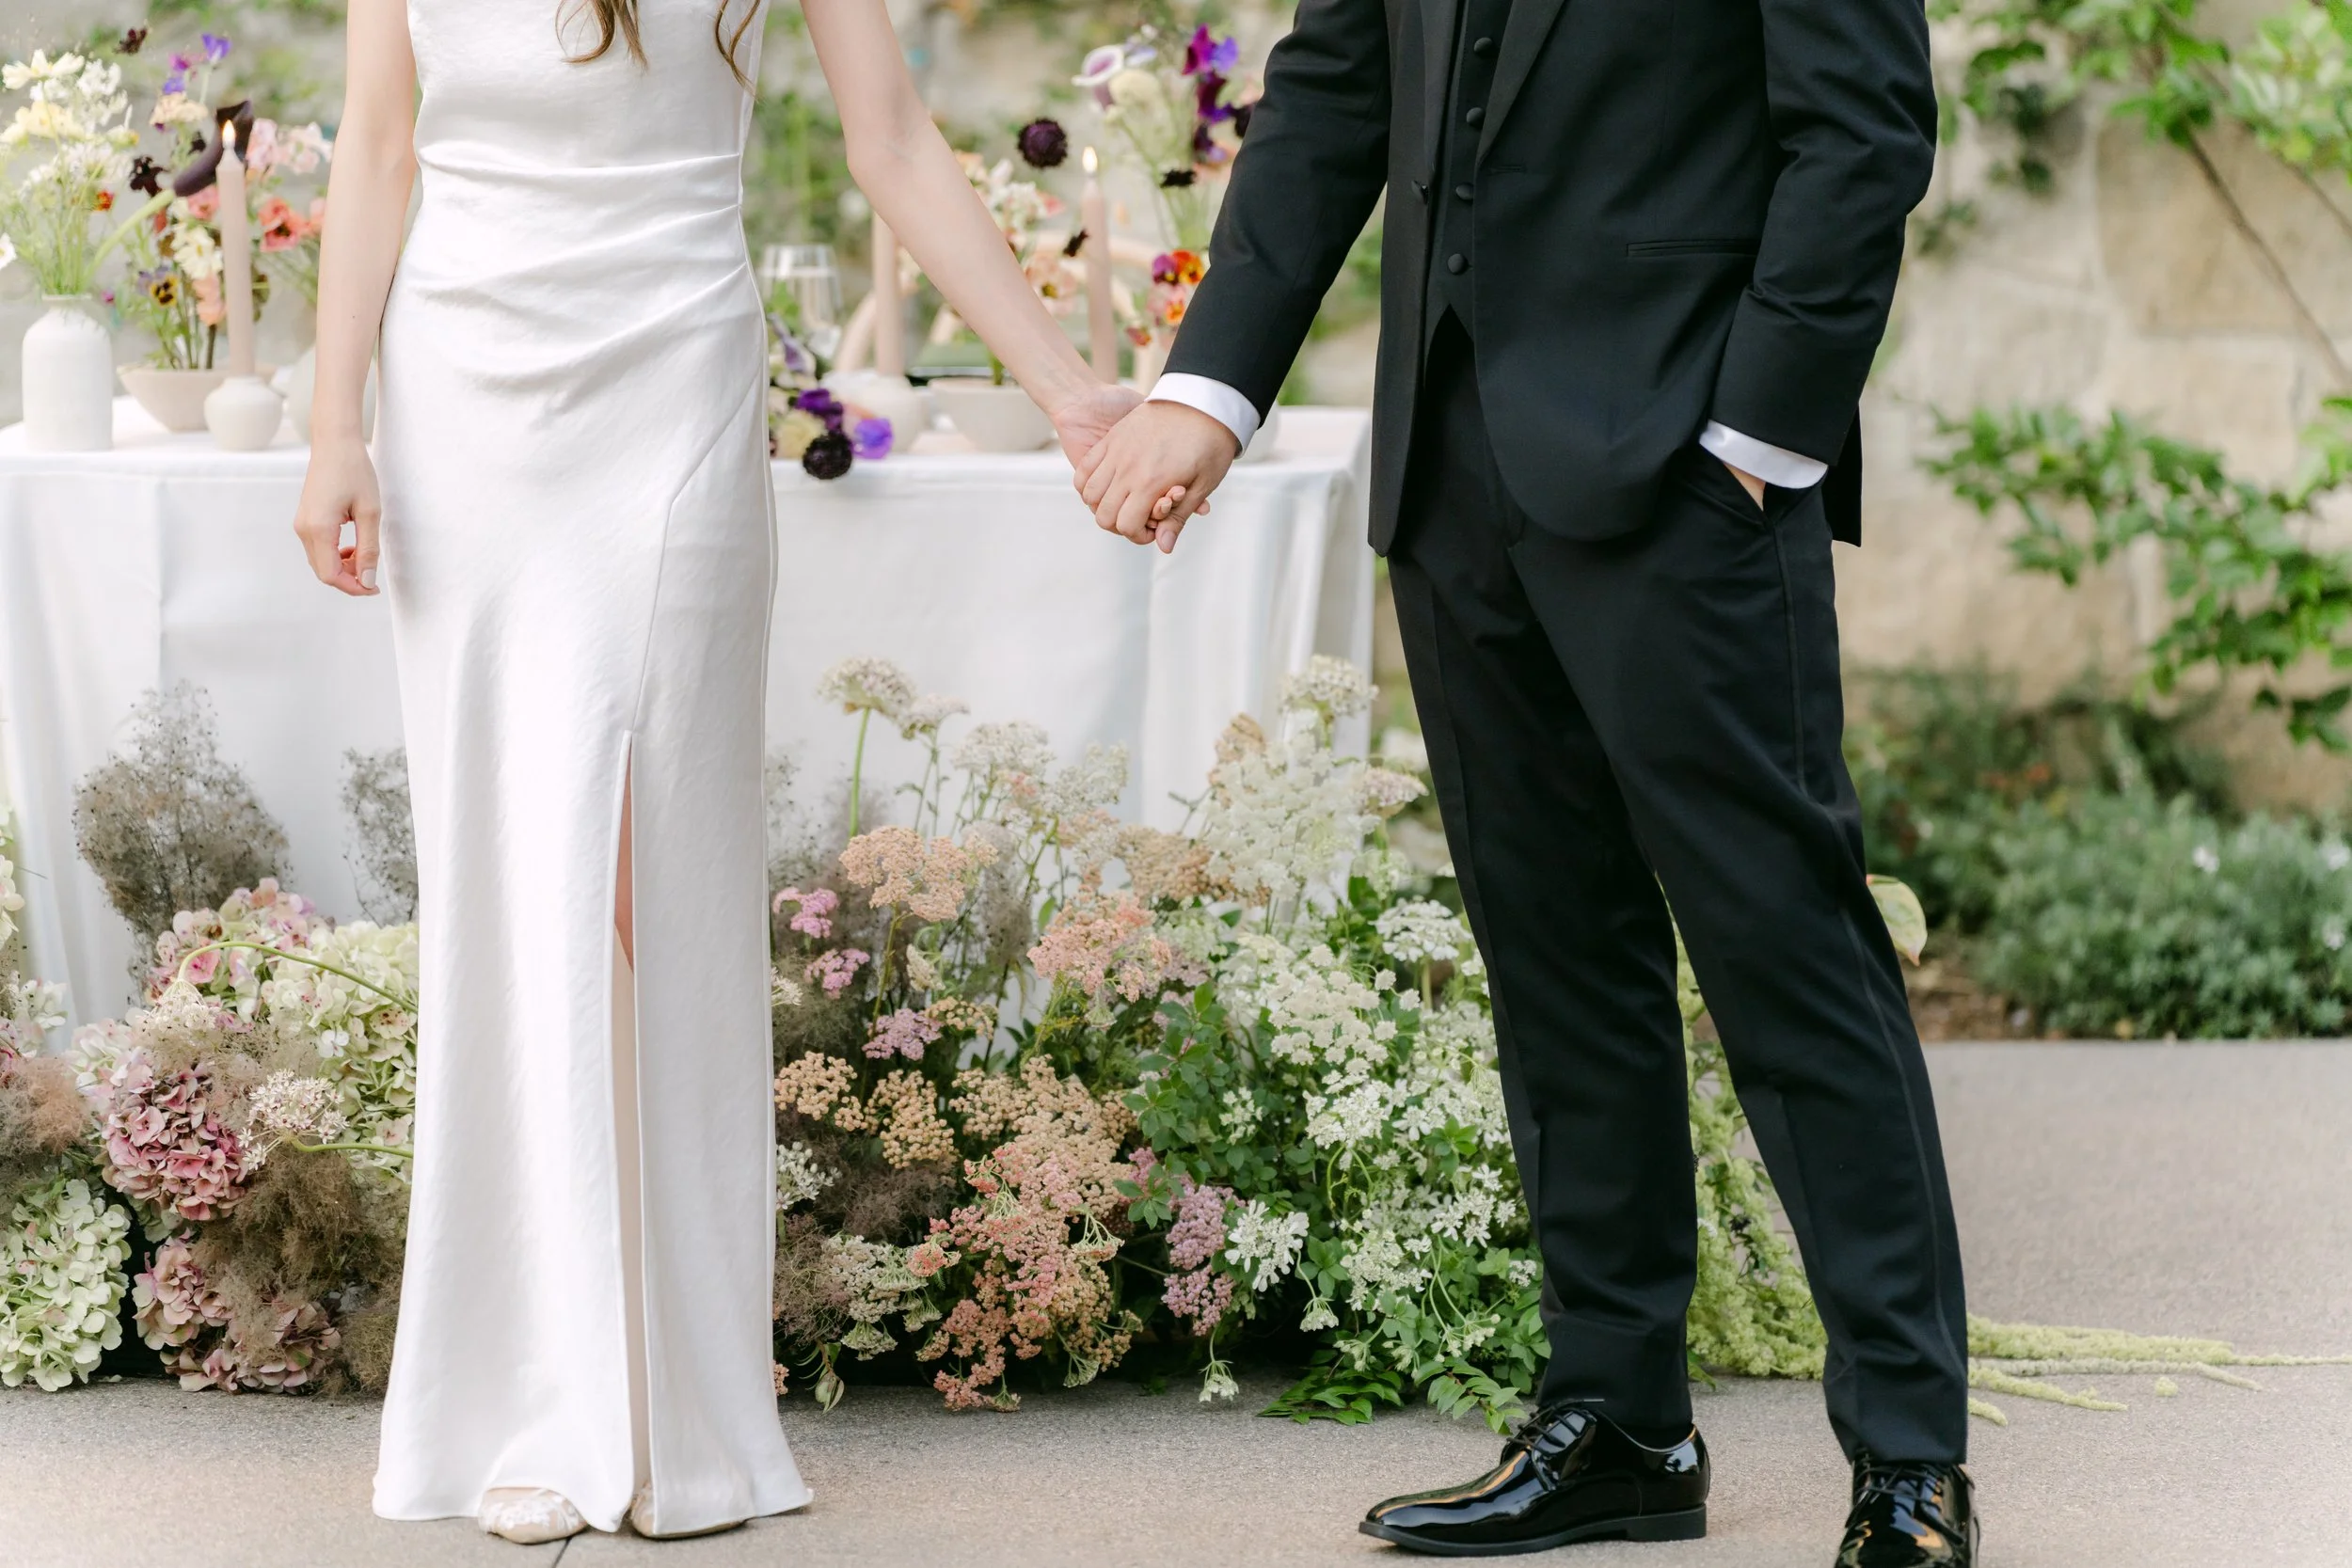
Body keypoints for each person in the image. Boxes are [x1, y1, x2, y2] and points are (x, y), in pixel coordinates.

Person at [1078, 0, 1979, 1562]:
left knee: (1788, 954)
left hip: (1694, 469)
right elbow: (1338, 87)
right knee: (1556, 958)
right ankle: (1619, 1421)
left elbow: (1865, 127)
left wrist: (1757, 437)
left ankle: (1910, 1458)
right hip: (1455, 466)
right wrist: (1210, 388)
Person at [291, 0, 1142, 1544]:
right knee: (513, 875)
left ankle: (676, 1406)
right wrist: (331, 422)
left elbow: (892, 141)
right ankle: (525, 1397)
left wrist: (1071, 393)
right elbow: (376, 142)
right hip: (462, 408)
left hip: (668, 382)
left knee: (649, 871)